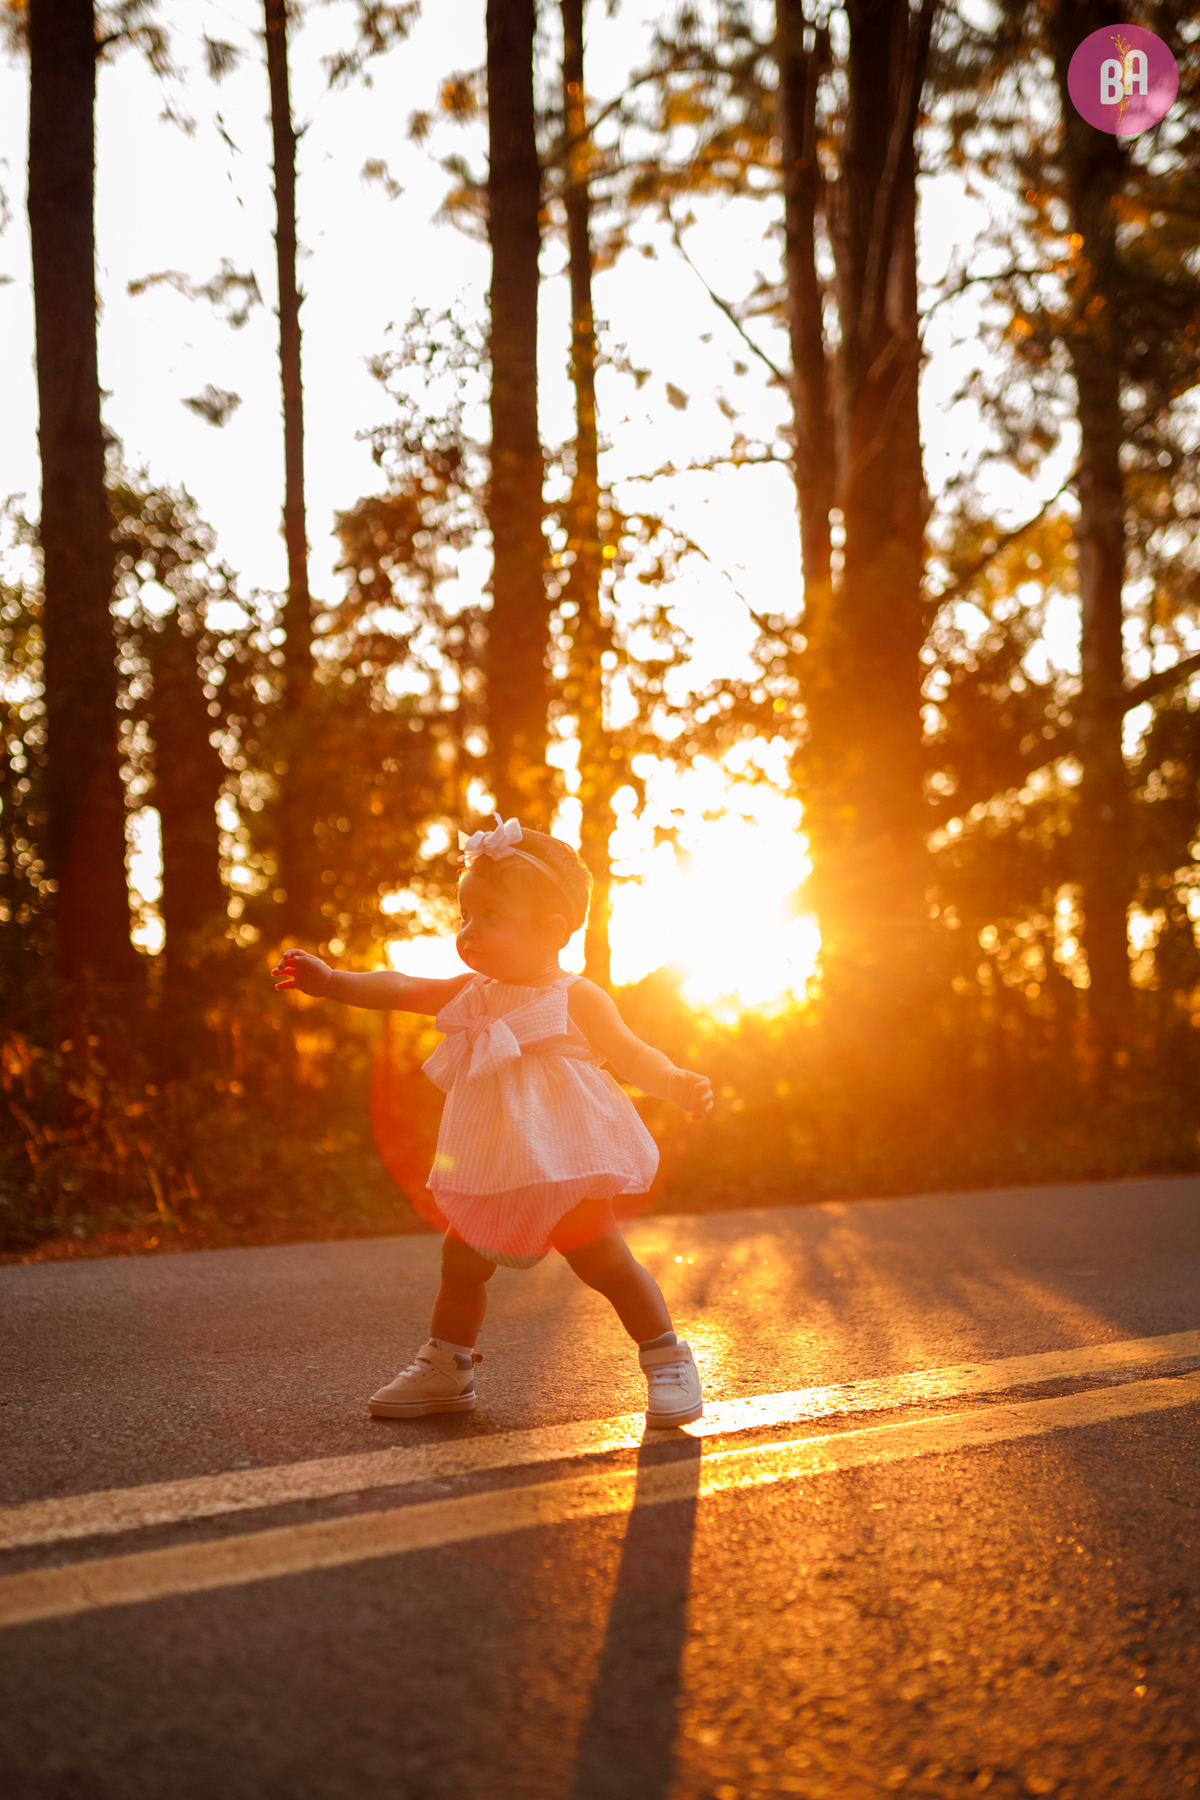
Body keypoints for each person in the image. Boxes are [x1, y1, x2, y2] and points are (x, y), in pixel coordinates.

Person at [272, 814, 713, 1428]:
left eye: (490, 917)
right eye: (465, 917)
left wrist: (675, 1083)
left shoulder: (574, 995)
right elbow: (400, 985)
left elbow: (633, 1053)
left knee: (601, 1258)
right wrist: (332, 981)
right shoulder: (472, 991)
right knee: (462, 1261)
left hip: (564, 1153)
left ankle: (667, 1358)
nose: (470, 932)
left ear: (552, 930)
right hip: (495, 1156)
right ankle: (447, 1367)